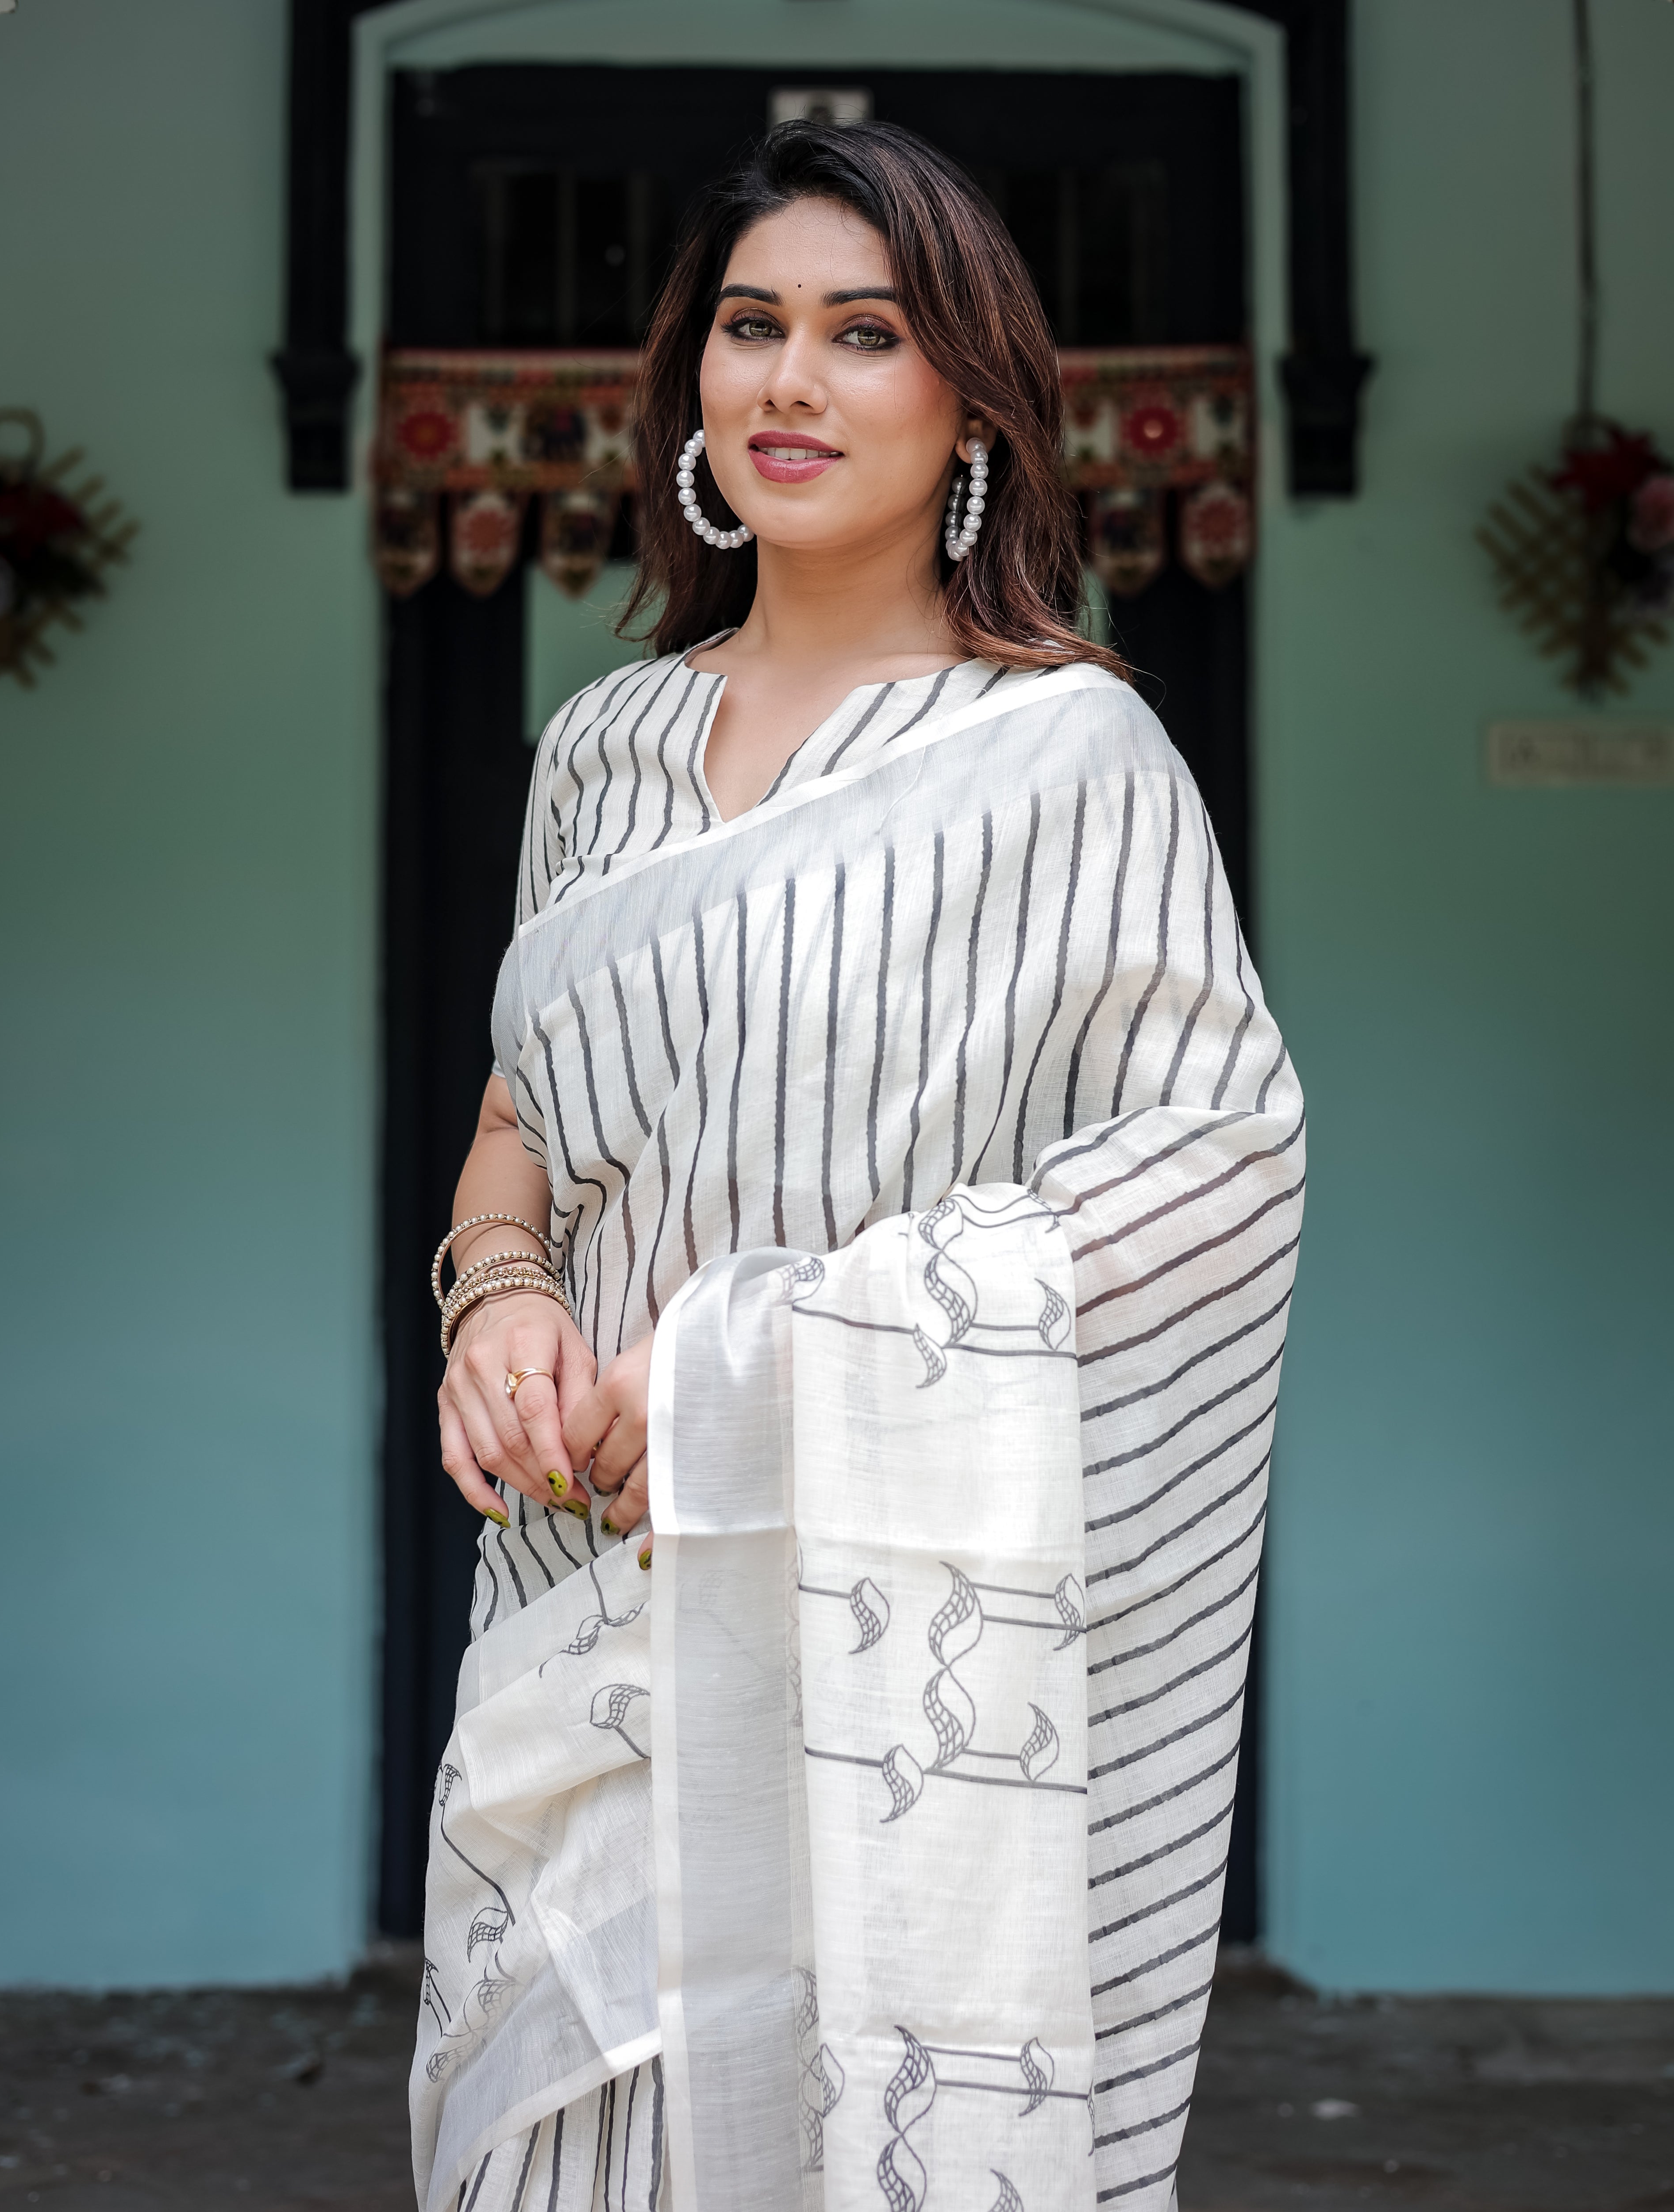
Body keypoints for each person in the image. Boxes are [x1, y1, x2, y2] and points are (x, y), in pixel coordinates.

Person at [411, 120, 1303, 2212]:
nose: (789, 381)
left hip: (892, 1632)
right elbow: (525, 1115)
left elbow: (1215, 1162)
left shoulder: (1066, 754)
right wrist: (500, 1298)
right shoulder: (602, 746)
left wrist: (777, 1355)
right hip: (579, 1577)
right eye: (750, 326)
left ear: (971, 402)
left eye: (863, 332)